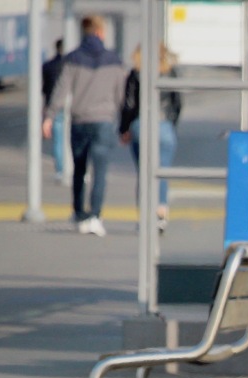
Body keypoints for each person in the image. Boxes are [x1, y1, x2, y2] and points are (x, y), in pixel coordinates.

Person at [42, 16, 128, 237]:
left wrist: (49, 116)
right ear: (100, 32)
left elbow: (61, 91)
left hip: (79, 121)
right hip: (104, 122)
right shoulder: (114, 60)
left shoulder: (73, 59)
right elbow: (121, 96)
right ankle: (95, 216)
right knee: (100, 172)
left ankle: (79, 212)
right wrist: (123, 124)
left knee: (79, 169)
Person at [119, 44, 181, 232]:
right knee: (161, 172)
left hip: (142, 125)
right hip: (165, 126)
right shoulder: (170, 72)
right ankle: (161, 213)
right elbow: (177, 103)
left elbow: (129, 104)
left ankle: (145, 217)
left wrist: (124, 128)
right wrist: (171, 125)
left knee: (145, 173)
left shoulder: (136, 73)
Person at [41, 39, 66, 183]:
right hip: (70, 106)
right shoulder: (72, 65)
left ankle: (60, 170)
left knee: (58, 140)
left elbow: (44, 90)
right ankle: (73, 169)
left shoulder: (48, 66)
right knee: (71, 140)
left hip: (52, 106)